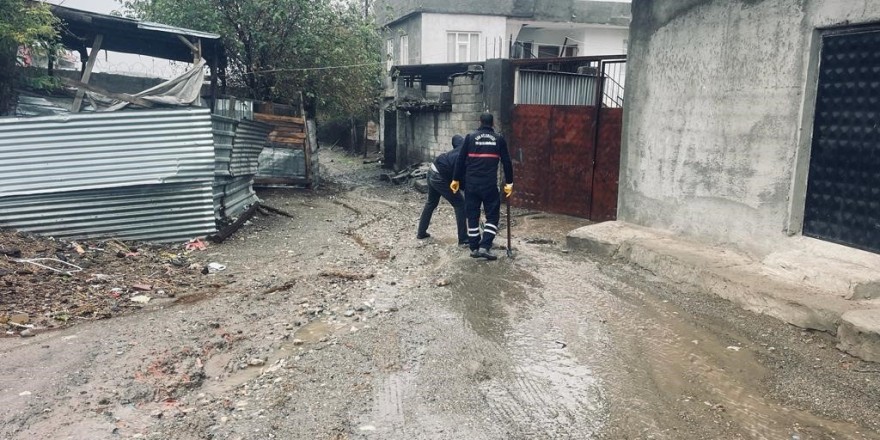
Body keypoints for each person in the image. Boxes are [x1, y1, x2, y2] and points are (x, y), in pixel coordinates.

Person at [450, 113, 513, 260]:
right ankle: (484, 246)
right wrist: (509, 183)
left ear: (480, 122)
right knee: (492, 216)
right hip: (489, 186)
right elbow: (507, 162)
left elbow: (460, 160)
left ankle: (474, 247)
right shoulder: (499, 139)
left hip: (471, 185)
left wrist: (455, 179)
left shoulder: (470, 137)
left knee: (472, 216)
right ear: (493, 123)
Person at [417, 134, 468, 246]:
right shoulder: (462, 155)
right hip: (440, 177)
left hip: (431, 170)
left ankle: (421, 232)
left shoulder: (454, 152)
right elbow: (458, 177)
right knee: (460, 204)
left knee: (431, 203)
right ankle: (463, 239)